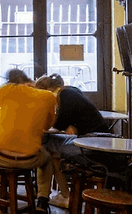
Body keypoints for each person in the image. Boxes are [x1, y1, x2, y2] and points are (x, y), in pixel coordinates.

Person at [0, 74, 56, 214]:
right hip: (30, 159)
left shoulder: (5, 90)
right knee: (48, 159)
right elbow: (48, 126)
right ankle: (42, 201)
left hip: (0, 156)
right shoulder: (48, 96)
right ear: (31, 83)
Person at [34, 74, 122, 202]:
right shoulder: (71, 91)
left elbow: (59, 122)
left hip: (92, 148)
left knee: (47, 146)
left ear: (47, 91)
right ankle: (64, 194)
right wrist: (68, 124)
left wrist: (60, 122)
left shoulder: (65, 95)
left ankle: (60, 196)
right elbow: (68, 118)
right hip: (98, 142)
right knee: (51, 148)